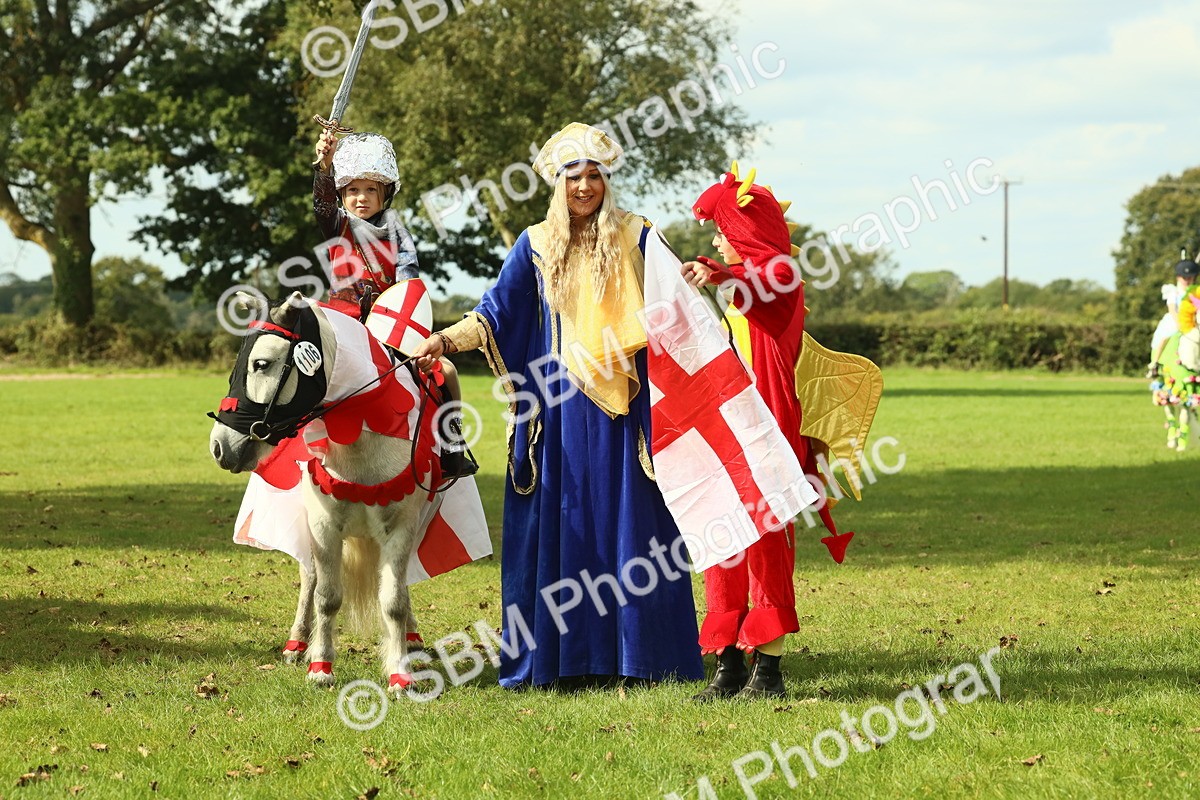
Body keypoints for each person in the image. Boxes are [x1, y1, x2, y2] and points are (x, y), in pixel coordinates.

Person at [410, 122, 704, 689]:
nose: (585, 186)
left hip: (626, 416)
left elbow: (679, 301)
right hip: (560, 414)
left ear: (607, 179)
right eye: (574, 175)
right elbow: (494, 313)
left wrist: (698, 273)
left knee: (633, 531)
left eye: (595, 175)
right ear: (558, 182)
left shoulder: (639, 236)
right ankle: (561, 663)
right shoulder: (536, 244)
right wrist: (444, 340)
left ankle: (639, 661)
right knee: (565, 528)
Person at [681, 165, 860, 700]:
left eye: (722, 229)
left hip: (769, 438)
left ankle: (769, 672)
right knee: (723, 543)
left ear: (745, 233)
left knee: (766, 548)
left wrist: (719, 275)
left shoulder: (782, 281)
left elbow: (760, 283)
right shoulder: (738, 290)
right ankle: (729, 666)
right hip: (729, 436)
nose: (714, 238)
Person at [314, 129, 475, 477]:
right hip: (343, 327)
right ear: (342, 194)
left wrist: (405, 333)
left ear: (384, 193)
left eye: (370, 189)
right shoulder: (337, 224)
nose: (361, 197)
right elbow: (323, 206)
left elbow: (408, 280)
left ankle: (452, 447)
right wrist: (324, 168)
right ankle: (292, 443)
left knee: (445, 371)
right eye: (353, 190)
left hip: (389, 332)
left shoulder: (397, 228)